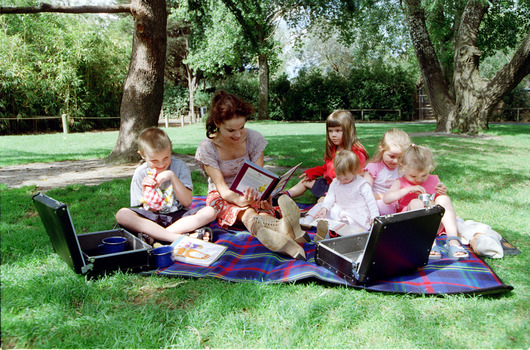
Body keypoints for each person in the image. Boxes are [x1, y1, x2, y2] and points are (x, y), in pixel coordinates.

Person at [194, 90, 308, 260]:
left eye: (242, 127)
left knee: (262, 211)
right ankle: (287, 231)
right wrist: (240, 200)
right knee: (246, 212)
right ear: (217, 123)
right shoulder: (207, 148)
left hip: (252, 193)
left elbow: (258, 178)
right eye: (231, 130)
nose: (238, 134)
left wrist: (262, 196)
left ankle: (282, 237)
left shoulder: (254, 139)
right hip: (222, 196)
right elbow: (223, 190)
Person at [115, 127, 217, 244]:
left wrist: (172, 176)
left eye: (166, 158)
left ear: (170, 149)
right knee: (122, 214)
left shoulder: (179, 167)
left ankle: (156, 236)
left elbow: (187, 202)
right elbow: (149, 210)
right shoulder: (140, 173)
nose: (161, 164)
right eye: (154, 161)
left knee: (210, 211)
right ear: (142, 155)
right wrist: (147, 191)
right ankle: (179, 238)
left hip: (179, 218)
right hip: (152, 219)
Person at [383, 144, 469, 259]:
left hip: (434, 224)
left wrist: (442, 192)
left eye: (424, 175)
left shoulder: (434, 179)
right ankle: (429, 243)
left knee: (444, 199)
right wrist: (407, 189)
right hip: (412, 226)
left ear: (430, 168)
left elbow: (442, 204)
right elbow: (387, 199)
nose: (418, 179)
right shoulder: (400, 182)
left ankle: (453, 241)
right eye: (413, 176)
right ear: (403, 167)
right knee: (416, 202)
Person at [279, 110, 368, 202]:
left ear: (348, 131)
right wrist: (312, 173)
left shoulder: (356, 153)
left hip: (344, 190)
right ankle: (281, 197)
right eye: (330, 131)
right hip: (328, 185)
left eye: (338, 131)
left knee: (322, 201)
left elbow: (359, 177)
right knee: (304, 182)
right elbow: (326, 167)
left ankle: (317, 212)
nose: (333, 135)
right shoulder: (333, 149)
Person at [302, 150, 379, 241]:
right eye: (339, 177)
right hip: (339, 209)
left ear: (354, 172)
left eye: (346, 178)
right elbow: (330, 197)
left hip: (354, 214)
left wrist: (374, 216)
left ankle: (330, 233)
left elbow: (370, 201)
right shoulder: (335, 182)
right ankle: (307, 221)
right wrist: (325, 208)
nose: (342, 180)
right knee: (321, 206)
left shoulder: (362, 184)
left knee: (346, 223)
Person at [362, 128, 411, 215]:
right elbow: (364, 192)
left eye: (400, 157)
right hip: (378, 203)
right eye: (392, 156)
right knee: (383, 206)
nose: (396, 161)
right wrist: (383, 196)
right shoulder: (373, 167)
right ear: (381, 150)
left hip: (398, 203)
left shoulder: (403, 168)